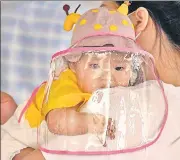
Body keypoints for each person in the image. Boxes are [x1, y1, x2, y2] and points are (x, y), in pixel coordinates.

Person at [1, 1, 180, 160]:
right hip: (23, 135)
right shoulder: (65, 82)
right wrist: (92, 122)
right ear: (73, 64)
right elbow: (57, 122)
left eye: (119, 68)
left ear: (138, 21)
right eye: (95, 65)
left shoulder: (140, 99)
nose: (107, 77)